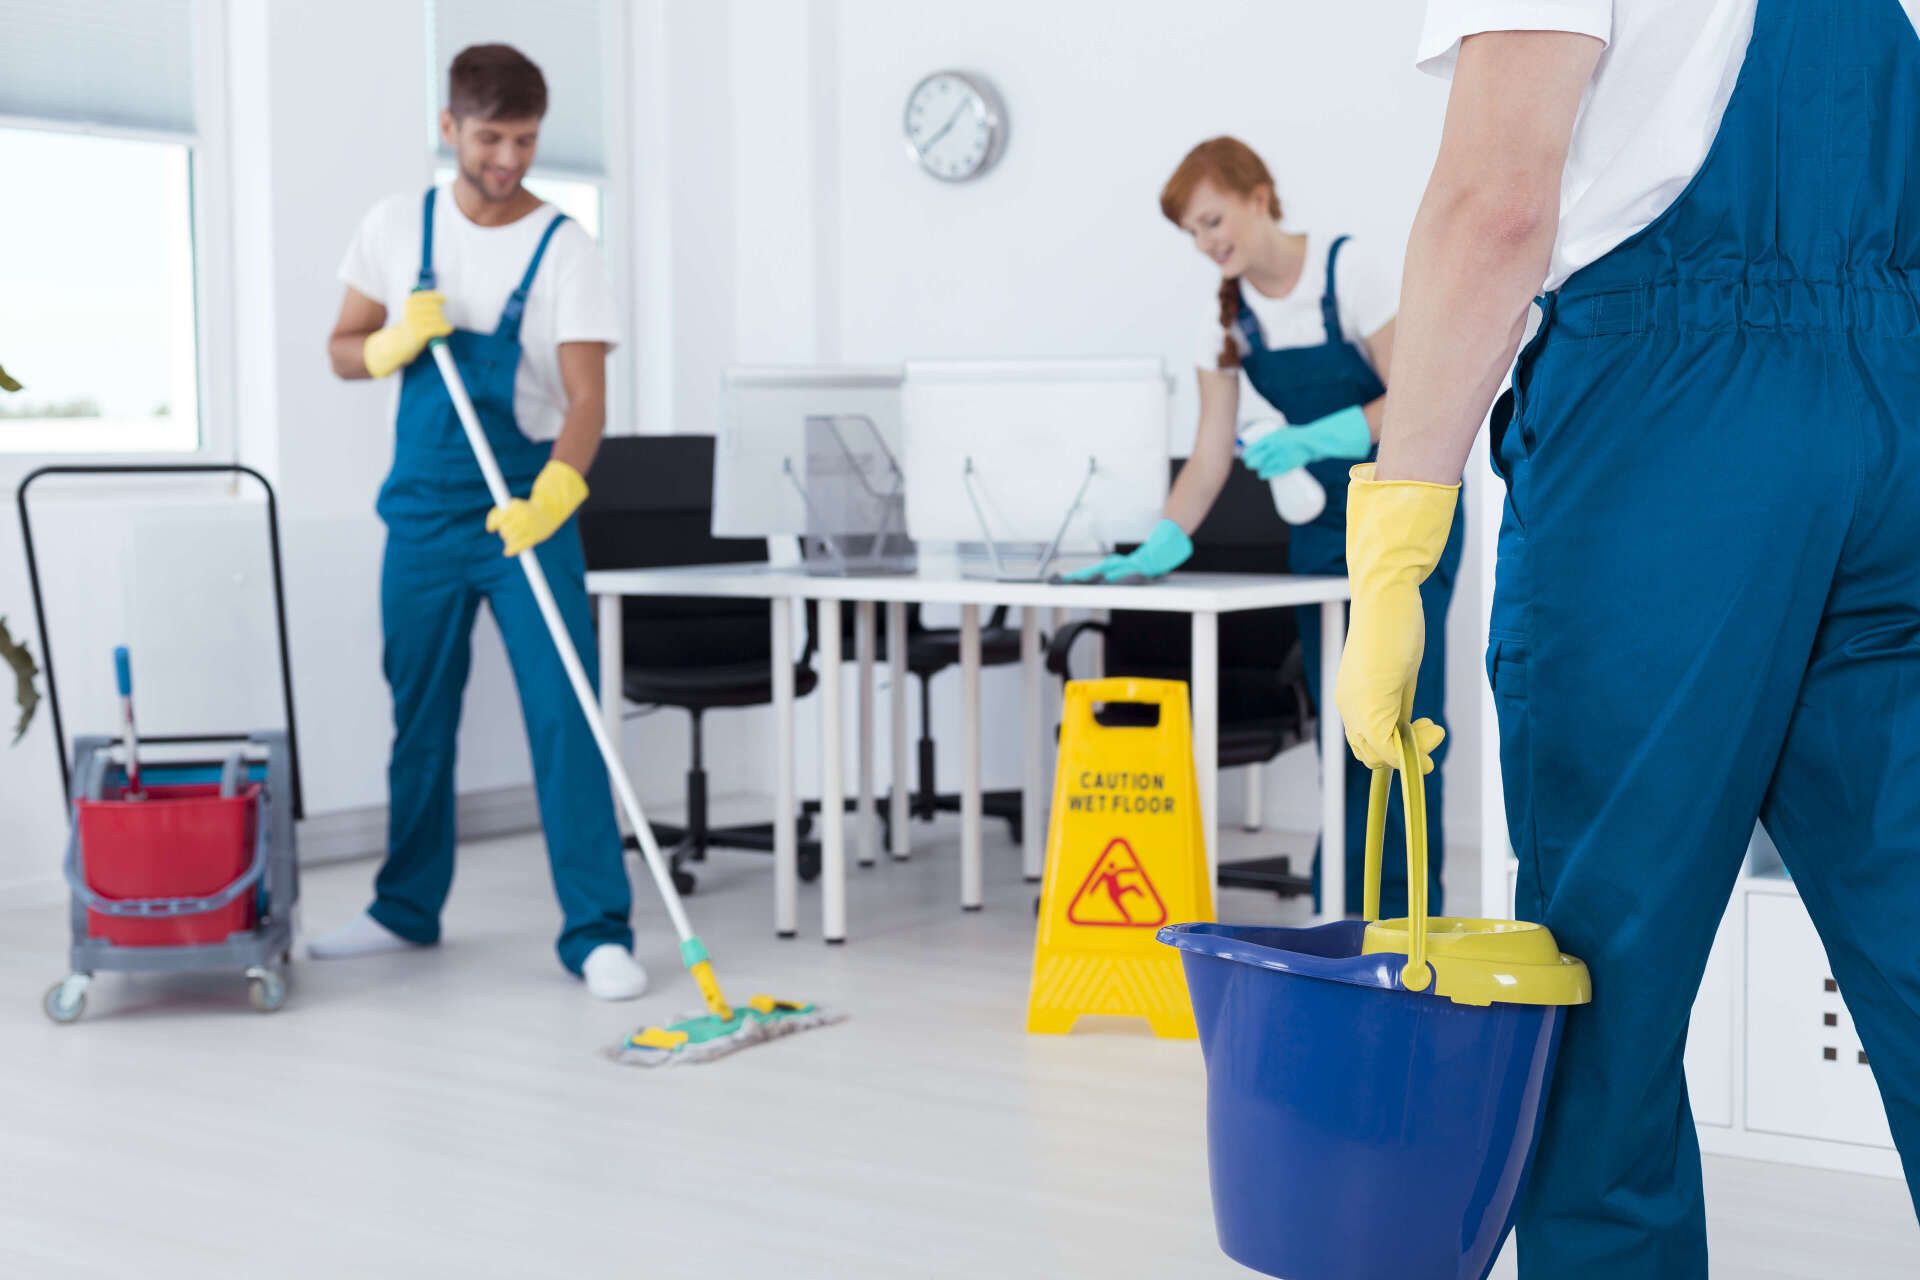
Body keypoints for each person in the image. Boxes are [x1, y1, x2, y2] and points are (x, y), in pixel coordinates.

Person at [1341, 0, 1920, 1271]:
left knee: (1601, 997)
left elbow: (1496, 201)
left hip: (1673, 425)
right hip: (1896, 413)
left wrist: (1397, 534)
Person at [315, 44, 644, 1001]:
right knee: (419, 717)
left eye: (527, 140)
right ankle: (403, 909)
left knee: (567, 715)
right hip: (421, 516)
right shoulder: (395, 227)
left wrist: (557, 491)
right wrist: (389, 342)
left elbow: (586, 400)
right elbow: (340, 350)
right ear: (450, 126)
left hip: (526, 512)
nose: (509, 158)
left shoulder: (565, 248)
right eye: (491, 137)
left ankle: (596, 931)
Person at [1069, 137, 1461, 917]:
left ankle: (1411, 919)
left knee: (1404, 727)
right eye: (1192, 233)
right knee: (1344, 735)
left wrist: (1322, 435)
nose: (1208, 243)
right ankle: (1344, 920)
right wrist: (1160, 543)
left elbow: (1419, 398)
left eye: (1213, 220)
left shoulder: (1350, 272)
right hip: (1321, 542)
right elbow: (1210, 459)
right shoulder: (1226, 321)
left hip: (1401, 519)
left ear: (1259, 196)